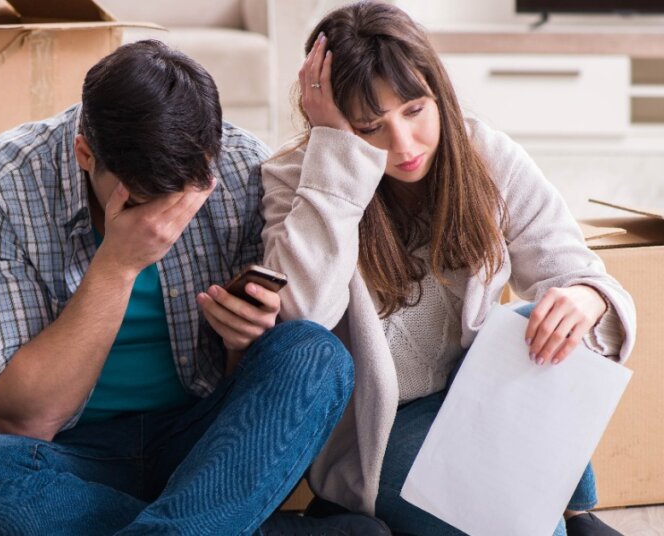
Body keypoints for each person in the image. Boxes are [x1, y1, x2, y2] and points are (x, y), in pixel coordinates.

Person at [0, 40, 389, 535]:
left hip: (205, 455)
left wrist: (241, 343)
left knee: (315, 354)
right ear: (86, 154)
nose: (170, 221)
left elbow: (250, 394)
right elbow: (27, 421)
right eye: (143, 203)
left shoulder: (237, 165)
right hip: (64, 456)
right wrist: (117, 266)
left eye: (189, 197)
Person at [260, 3, 637, 535]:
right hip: (383, 434)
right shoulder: (297, 178)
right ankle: (569, 520)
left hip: (480, 400)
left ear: (437, 92)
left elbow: (581, 274)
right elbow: (302, 317)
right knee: (521, 527)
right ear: (335, 122)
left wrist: (586, 298)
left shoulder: (482, 151)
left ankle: (575, 511)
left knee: (543, 317)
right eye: (371, 127)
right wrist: (336, 157)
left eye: (414, 110)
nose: (404, 145)